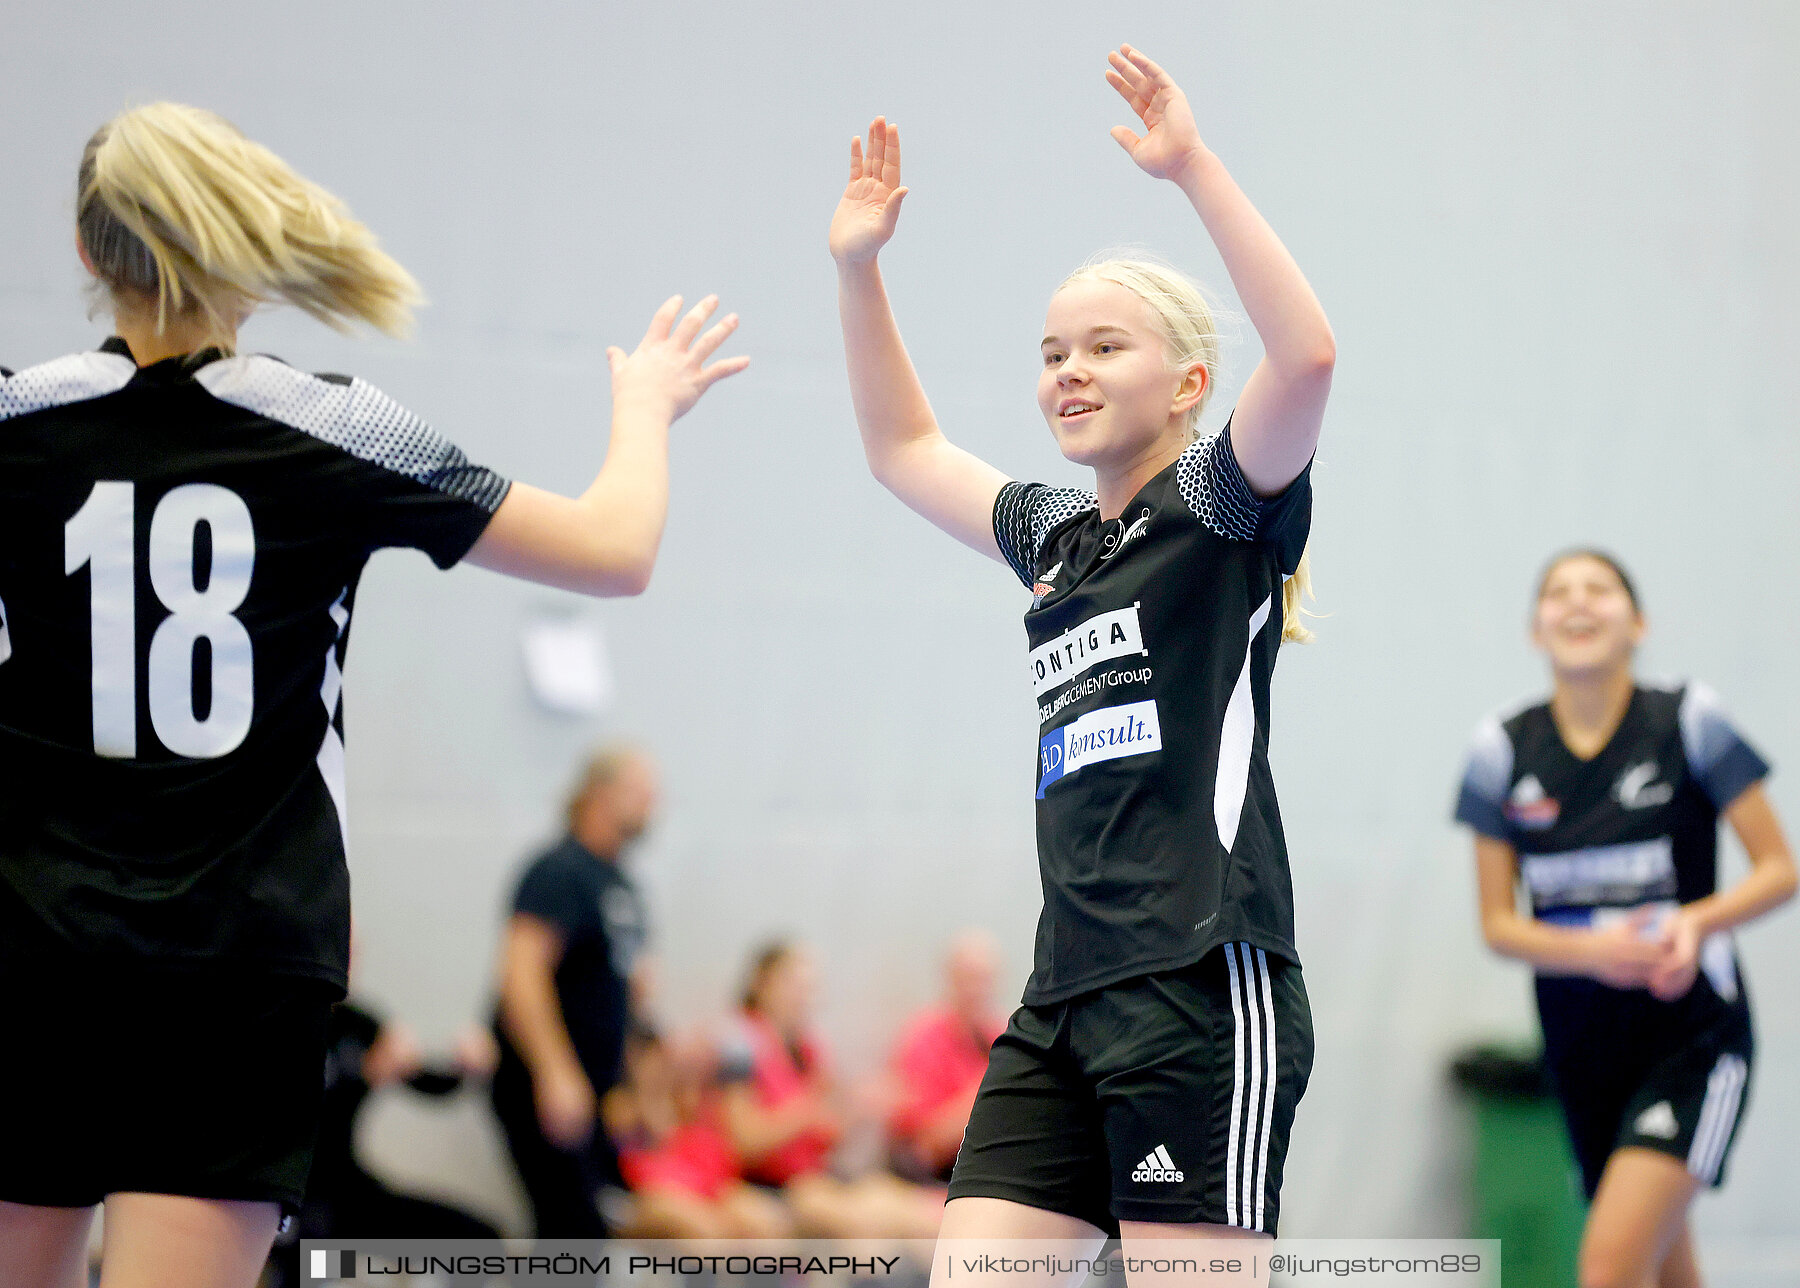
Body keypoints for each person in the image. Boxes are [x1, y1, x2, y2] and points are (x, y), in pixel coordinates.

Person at [0, 103, 745, 1288]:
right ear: (244, 241)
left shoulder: (16, 419)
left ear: (90, 256)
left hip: (31, 949)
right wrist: (645, 408)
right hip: (237, 962)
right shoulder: (330, 420)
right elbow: (616, 547)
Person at [829, 44, 1333, 1279]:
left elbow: (1310, 356)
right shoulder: (1057, 534)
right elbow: (903, 449)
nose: (1068, 372)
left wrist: (1194, 169)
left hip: (1199, 983)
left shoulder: (1218, 508)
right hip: (1062, 1002)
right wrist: (858, 267)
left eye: (1105, 349)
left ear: (1189, 382)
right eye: (1054, 352)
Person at [1454, 550, 1796, 1288]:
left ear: (1637, 623)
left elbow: (1779, 871)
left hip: (1692, 1039)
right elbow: (1499, 927)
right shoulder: (1501, 750)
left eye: (1600, 589)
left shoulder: (1688, 720)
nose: (1578, 603)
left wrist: (1695, 925)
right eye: (1558, 593)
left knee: (1609, 1267)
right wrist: (1595, 952)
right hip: (1581, 1049)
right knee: (1666, 1268)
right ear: (1534, 630)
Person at [490, 747, 658, 1238]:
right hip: (545, 1080)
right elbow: (521, 976)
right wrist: (555, 1071)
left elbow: (624, 999)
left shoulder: (621, 883)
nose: (653, 802)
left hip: (596, 1088)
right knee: (573, 1231)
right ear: (599, 794)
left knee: (590, 1233)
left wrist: (628, 1085)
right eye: (640, 789)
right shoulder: (559, 871)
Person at [265, 998, 502, 1288]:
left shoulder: (357, 1025)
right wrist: (357, 1079)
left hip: (347, 1191)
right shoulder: (274, 1022)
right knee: (315, 1259)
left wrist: (464, 1068)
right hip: (289, 1197)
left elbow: (425, 1079)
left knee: (480, 1244)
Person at [715, 941, 942, 1240]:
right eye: (794, 985)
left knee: (912, 1208)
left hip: (813, 1179)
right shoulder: (739, 1044)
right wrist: (811, 1108)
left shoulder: (807, 1050)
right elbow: (744, 1142)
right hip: (758, 1185)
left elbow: (826, 1137)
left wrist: (861, 1111)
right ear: (761, 983)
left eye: (810, 988)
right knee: (861, 1226)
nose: (803, 997)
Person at [603, 1023, 793, 1240]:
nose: (658, 1066)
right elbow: (652, 1136)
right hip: (652, 1190)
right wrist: (648, 1094)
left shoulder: (681, 1096)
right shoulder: (621, 1104)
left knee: (766, 1222)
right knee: (708, 1231)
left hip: (703, 1183)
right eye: (649, 1058)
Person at [884, 930, 1006, 1183]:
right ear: (950, 979)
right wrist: (990, 1094)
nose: (978, 990)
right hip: (936, 1176)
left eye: (985, 980)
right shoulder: (925, 1037)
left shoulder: (999, 1035)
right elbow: (927, 1143)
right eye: (969, 979)